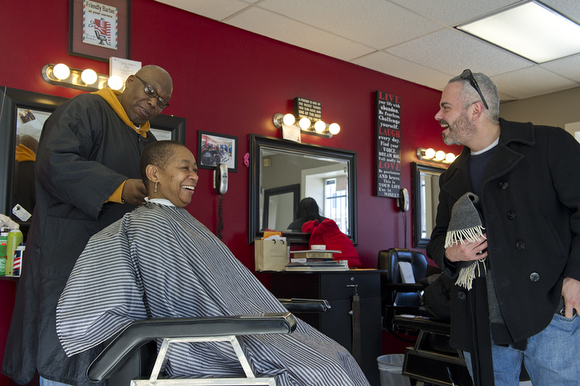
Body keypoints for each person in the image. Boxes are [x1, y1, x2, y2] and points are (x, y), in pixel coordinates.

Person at [56, 141, 370, 386]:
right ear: (154, 174)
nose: (194, 175)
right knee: (320, 368)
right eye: (184, 168)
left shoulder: (182, 221)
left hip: (247, 328)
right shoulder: (148, 226)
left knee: (335, 357)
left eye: (195, 168)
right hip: (216, 341)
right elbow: (175, 301)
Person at [2, 65, 173, 386]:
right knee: (64, 354)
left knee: (106, 362)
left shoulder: (146, 141)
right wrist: (120, 187)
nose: (154, 103)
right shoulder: (86, 109)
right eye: (150, 91)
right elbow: (54, 162)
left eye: (162, 102)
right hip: (68, 256)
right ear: (130, 81)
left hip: (112, 270)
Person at [427, 69, 580, 385]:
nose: (437, 115)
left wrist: (576, 276)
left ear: (476, 109)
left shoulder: (549, 144)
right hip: (484, 315)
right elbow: (438, 239)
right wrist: (452, 253)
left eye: (446, 107)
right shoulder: (452, 175)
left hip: (551, 306)